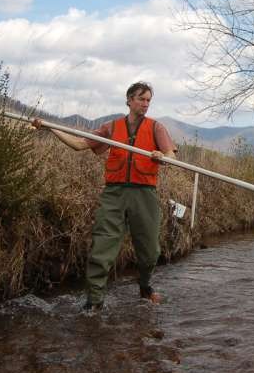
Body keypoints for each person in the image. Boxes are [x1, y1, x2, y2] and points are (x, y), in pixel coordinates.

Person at [34, 82, 177, 311]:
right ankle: (94, 301)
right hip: (114, 194)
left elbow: (171, 155)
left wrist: (162, 155)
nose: (146, 104)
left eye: (149, 100)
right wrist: (51, 128)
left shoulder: (156, 128)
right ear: (129, 100)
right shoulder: (111, 128)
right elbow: (79, 144)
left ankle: (145, 287)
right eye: (142, 99)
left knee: (150, 252)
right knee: (102, 248)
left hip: (144, 195)